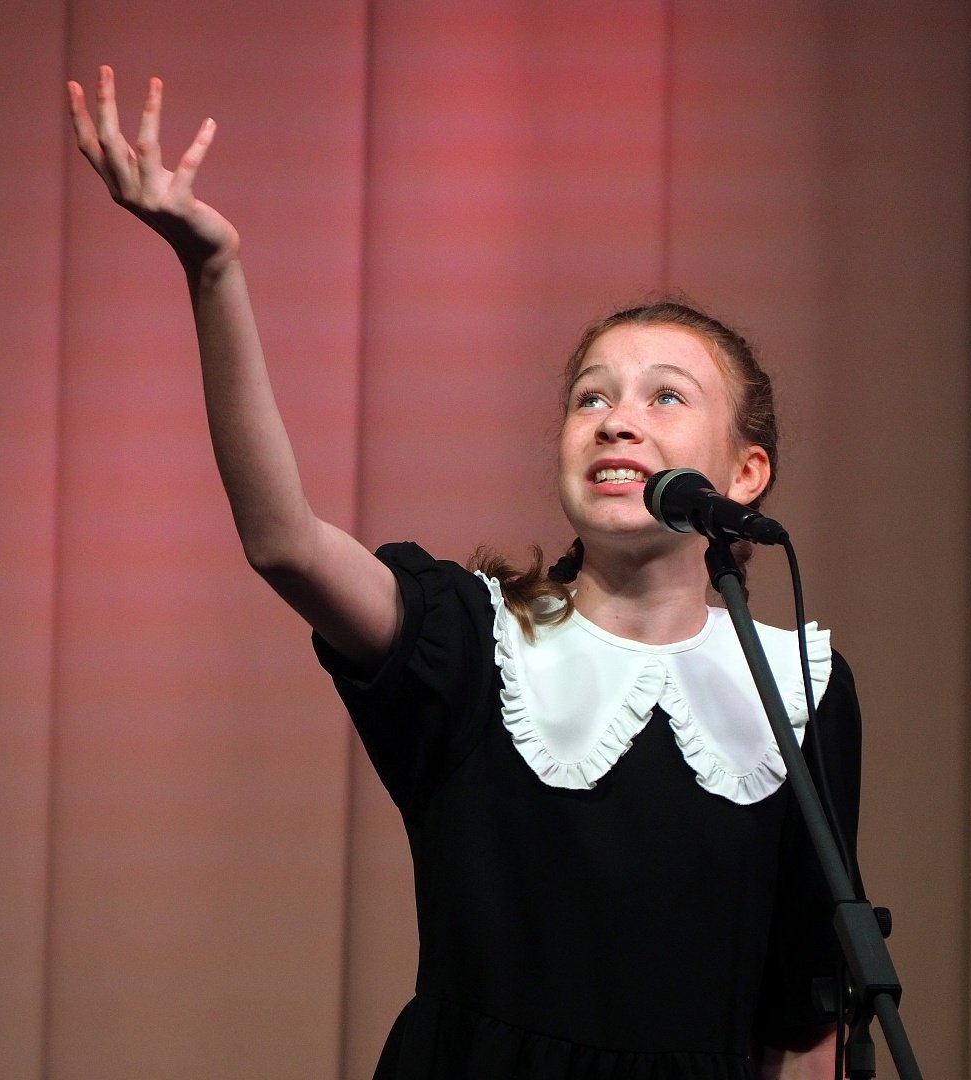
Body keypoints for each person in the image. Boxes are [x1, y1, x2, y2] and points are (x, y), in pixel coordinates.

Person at [67, 66, 861, 1080]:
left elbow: (804, 1010)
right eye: (591, 398)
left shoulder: (801, 689)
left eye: (665, 397)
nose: (616, 421)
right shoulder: (474, 643)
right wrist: (213, 271)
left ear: (747, 472)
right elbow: (284, 541)